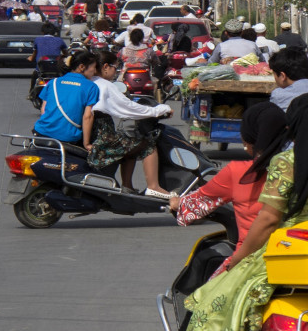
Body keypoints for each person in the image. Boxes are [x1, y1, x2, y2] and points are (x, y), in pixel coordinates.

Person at [183, 94, 308, 330]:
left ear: (294, 126)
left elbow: (268, 219)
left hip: (290, 250)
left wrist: (237, 259)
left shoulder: (286, 161)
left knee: (210, 305)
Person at [169, 102, 289, 275]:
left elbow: (194, 205)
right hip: (294, 259)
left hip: (248, 263)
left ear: (248, 138)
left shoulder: (236, 172)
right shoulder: (297, 169)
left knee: (201, 300)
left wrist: (176, 202)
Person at [87, 50, 174, 198]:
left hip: (94, 133)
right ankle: (154, 187)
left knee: (131, 146)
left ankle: (128, 187)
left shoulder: (90, 82)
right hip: (103, 135)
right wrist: (159, 110)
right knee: (147, 145)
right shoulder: (106, 85)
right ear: (106, 67)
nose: (116, 71)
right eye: (116, 67)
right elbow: (129, 108)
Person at [32, 50, 100, 148]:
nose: (95, 71)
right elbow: (87, 117)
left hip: (41, 133)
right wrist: (86, 144)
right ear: (81, 67)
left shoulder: (53, 82)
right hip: (68, 138)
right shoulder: (91, 87)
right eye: (94, 67)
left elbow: (44, 109)